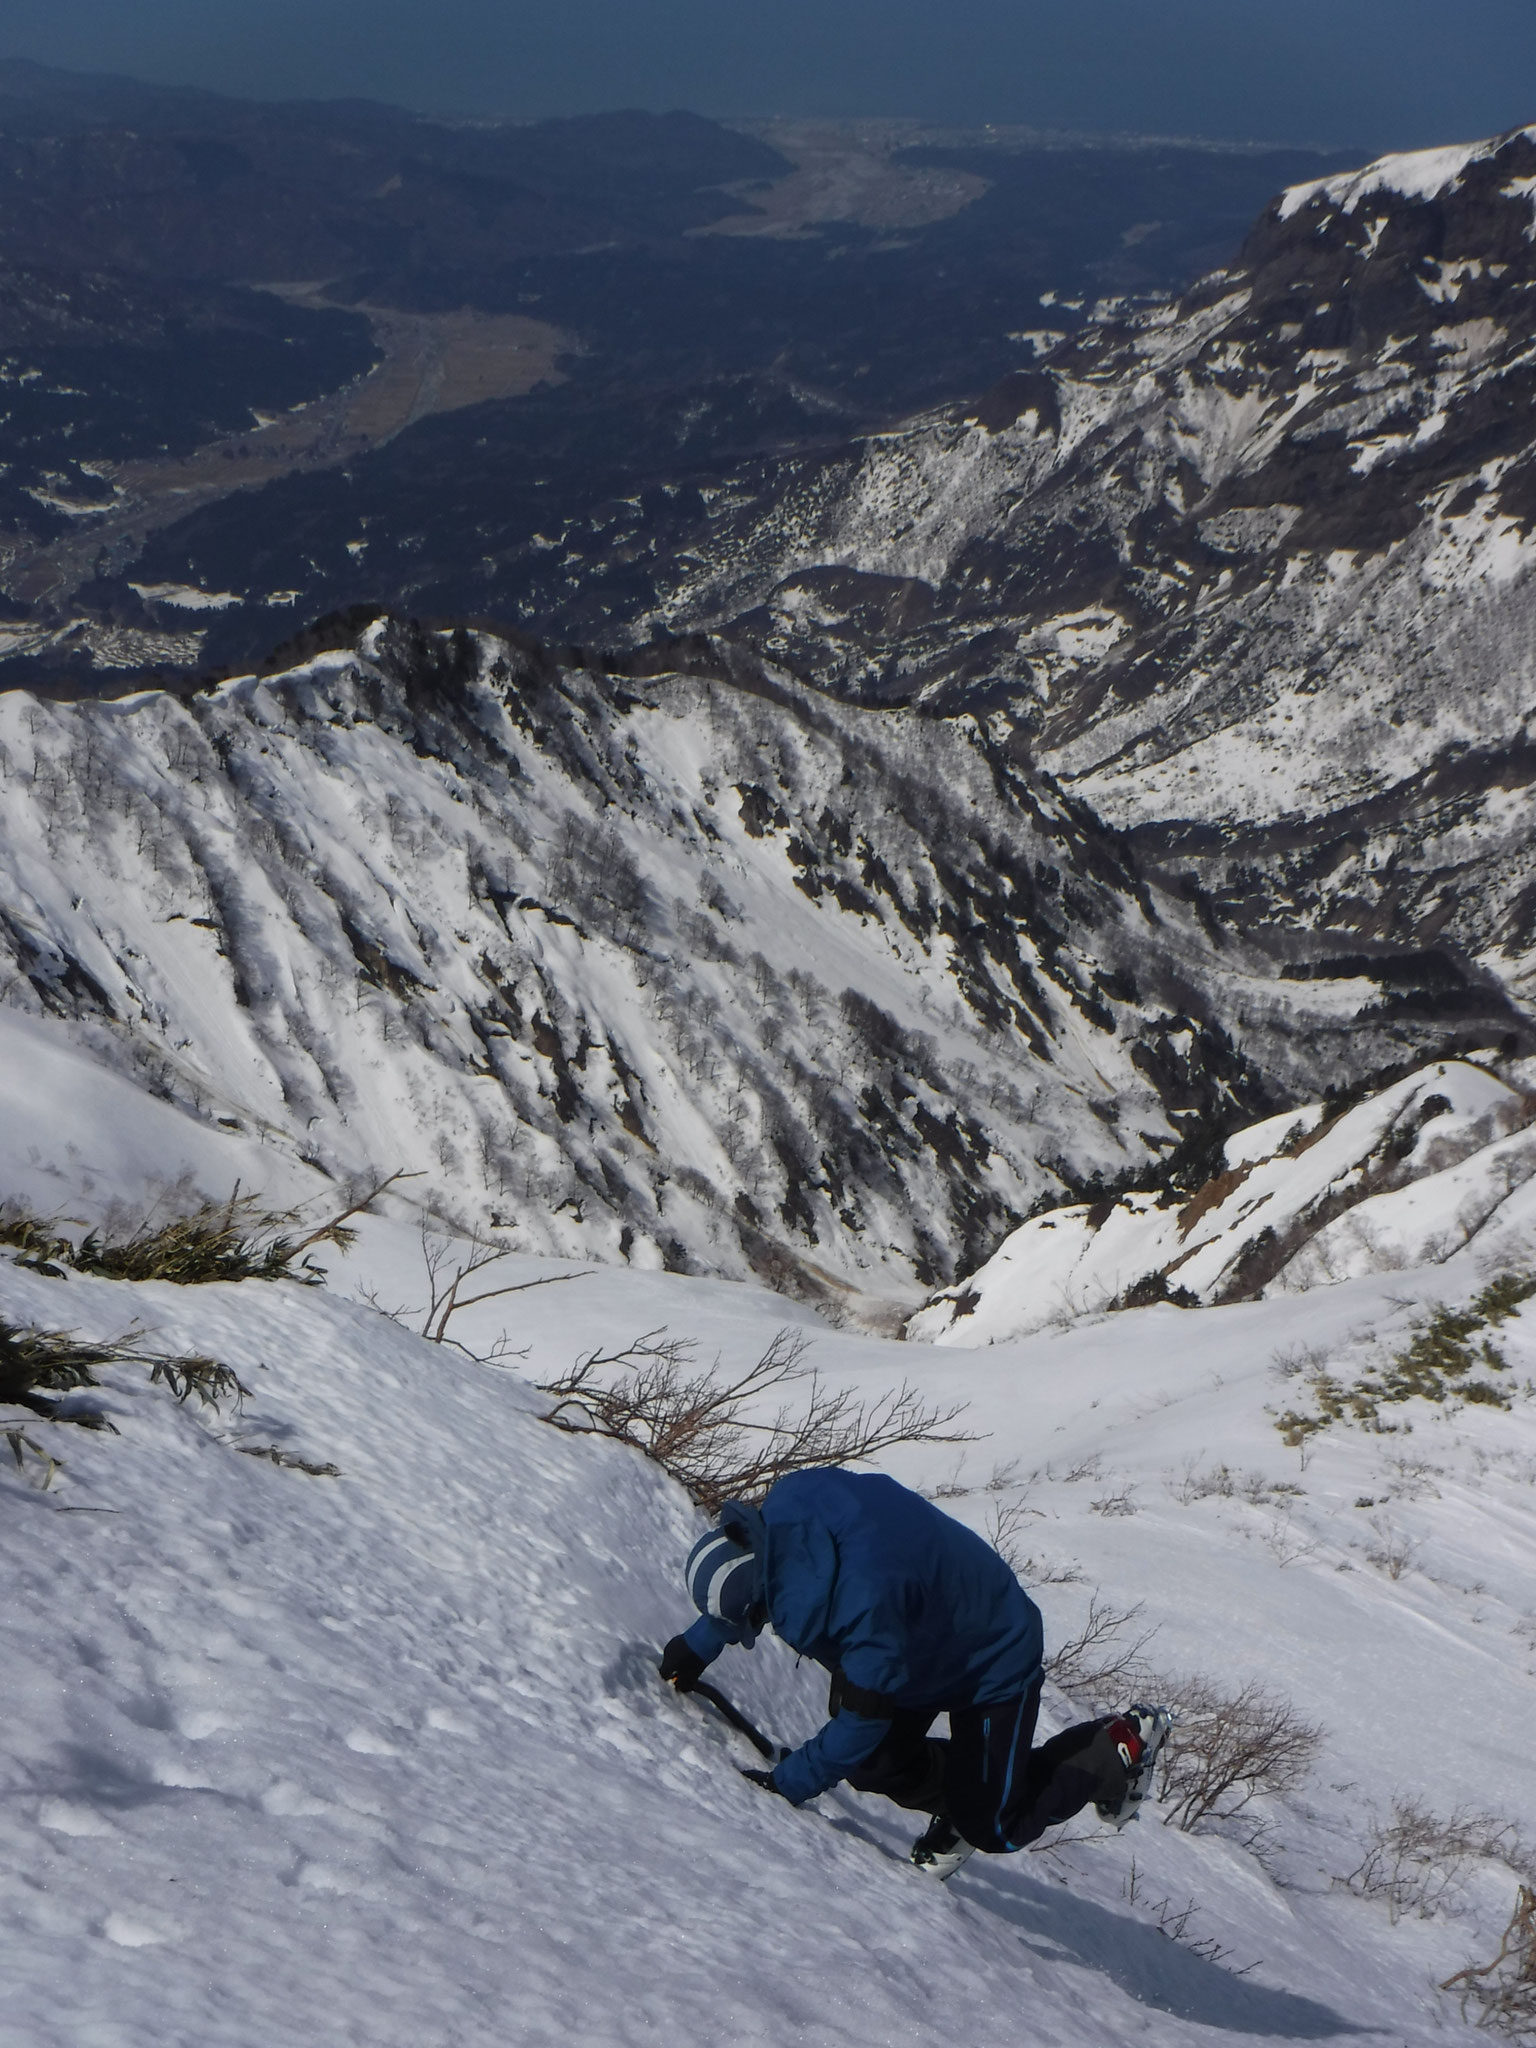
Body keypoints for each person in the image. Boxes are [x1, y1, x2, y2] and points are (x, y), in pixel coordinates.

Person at [659, 1465, 1170, 1879]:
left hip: (991, 1653)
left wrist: (783, 1785)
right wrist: (696, 1645)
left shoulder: (865, 1615)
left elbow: (862, 1721)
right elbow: (757, 1577)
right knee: (871, 1764)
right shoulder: (794, 1509)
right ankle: (963, 1796)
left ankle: (1114, 1748)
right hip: (926, 1625)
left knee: (995, 1823)